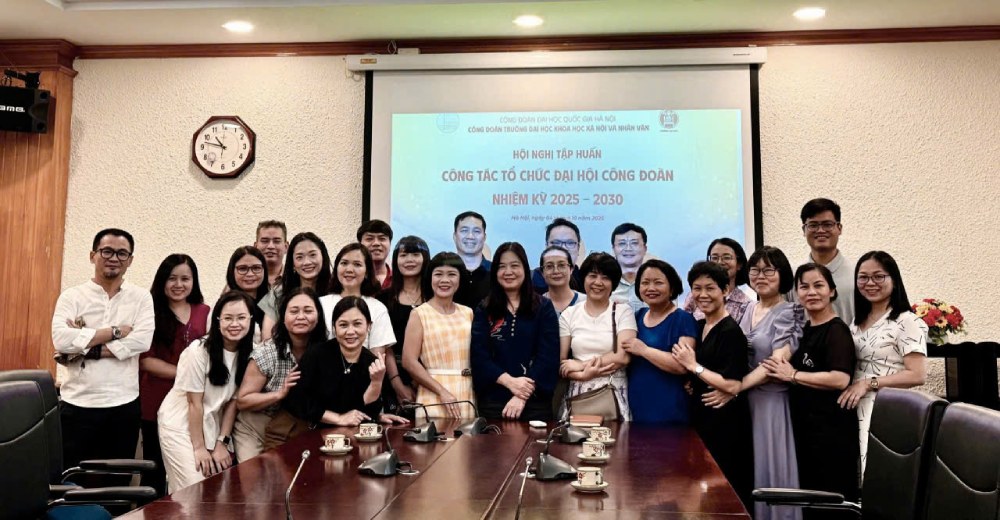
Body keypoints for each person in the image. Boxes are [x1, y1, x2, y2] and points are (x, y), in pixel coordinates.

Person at [51, 228, 155, 471]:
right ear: (92, 255)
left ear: (130, 260)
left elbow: (141, 342)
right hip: (76, 403)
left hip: (123, 404)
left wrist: (86, 346)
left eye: (122, 253)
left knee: (117, 482)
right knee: (70, 478)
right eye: (107, 251)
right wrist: (114, 332)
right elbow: (61, 340)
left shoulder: (141, 298)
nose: (114, 258)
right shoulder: (72, 297)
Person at [763, 264, 858, 520]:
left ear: (832, 291)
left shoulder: (836, 329)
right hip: (807, 429)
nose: (811, 292)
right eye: (804, 286)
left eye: (818, 285)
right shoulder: (804, 329)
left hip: (831, 433)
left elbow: (840, 378)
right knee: (811, 502)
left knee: (831, 504)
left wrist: (792, 375)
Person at [265, 297, 408, 448]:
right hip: (292, 433)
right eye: (343, 325)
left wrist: (376, 383)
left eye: (357, 324)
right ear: (334, 328)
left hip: (334, 439)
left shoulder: (372, 363)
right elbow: (296, 400)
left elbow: (360, 412)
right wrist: (338, 418)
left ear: (369, 326)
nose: (350, 331)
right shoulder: (317, 354)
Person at [671, 261, 753, 511]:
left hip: (726, 421)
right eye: (697, 288)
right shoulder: (700, 325)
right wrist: (691, 380)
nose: (703, 295)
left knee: (724, 490)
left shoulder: (730, 332)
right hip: (703, 415)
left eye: (710, 288)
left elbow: (731, 383)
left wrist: (693, 366)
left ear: (725, 291)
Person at [838, 251, 927, 475]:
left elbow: (917, 375)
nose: (870, 283)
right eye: (863, 277)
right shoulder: (857, 321)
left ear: (894, 280)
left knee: (880, 475)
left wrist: (868, 383)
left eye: (879, 277)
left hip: (886, 408)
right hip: (854, 406)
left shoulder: (907, 321)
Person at [157, 291, 255, 494]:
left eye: (241, 318)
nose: (234, 324)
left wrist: (222, 443)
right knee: (193, 487)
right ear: (217, 321)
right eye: (228, 318)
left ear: (251, 320)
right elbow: (194, 404)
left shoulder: (251, 352)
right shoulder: (198, 351)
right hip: (180, 424)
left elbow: (232, 403)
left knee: (216, 491)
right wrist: (199, 448)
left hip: (212, 424)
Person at [736, 247, 803, 520]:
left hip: (771, 403)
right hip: (745, 403)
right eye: (755, 270)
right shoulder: (748, 308)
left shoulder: (790, 311)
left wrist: (735, 388)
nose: (760, 276)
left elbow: (776, 364)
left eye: (768, 270)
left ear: (782, 274)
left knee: (773, 470)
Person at [139, 254, 210, 497]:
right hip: (155, 395)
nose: (178, 284)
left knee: (189, 464)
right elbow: (146, 360)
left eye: (185, 279)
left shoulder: (205, 311)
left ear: (194, 281)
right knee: (154, 466)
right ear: (162, 281)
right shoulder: (149, 310)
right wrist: (186, 373)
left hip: (192, 402)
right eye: (172, 278)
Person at [233, 287, 327, 461]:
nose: (300, 316)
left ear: (319, 316)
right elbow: (243, 400)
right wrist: (279, 394)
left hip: (294, 424)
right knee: (254, 483)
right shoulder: (267, 352)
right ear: (283, 318)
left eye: (308, 311)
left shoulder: (326, 351)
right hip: (256, 423)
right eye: (293, 311)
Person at [471, 242, 560, 420]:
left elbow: (548, 356)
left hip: (535, 402)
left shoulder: (543, 307)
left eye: (515, 265)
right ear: (495, 272)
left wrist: (521, 395)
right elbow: (479, 356)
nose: (508, 272)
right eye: (502, 267)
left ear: (525, 269)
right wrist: (510, 382)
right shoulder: (484, 308)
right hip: (494, 402)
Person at [320, 243, 409, 414]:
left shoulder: (377, 308)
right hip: (325, 385)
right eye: (344, 263)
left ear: (368, 271)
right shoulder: (321, 303)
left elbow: (377, 357)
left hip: (363, 387)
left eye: (357, 264)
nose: (349, 269)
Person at [558, 252, 636, 420]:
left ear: (614, 283)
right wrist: (582, 375)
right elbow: (562, 363)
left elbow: (623, 357)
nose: (598, 283)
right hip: (578, 395)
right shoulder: (569, 314)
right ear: (584, 279)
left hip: (613, 394)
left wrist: (581, 365)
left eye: (605, 278)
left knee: (614, 444)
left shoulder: (623, 311)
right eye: (592, 276)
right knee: (574, 445)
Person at [620, 259, 697, 425]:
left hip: (670, 409)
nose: (651, 288)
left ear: (672, 288)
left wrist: (644, 350)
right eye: (645, 283)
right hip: (637, 407)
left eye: (658, 282)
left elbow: (682, 365)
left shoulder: (682, 319)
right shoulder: (638, 315)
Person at [402, 252, 476, 418]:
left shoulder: (468, 313)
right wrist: (441, 391)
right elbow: (409, 361)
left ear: (460, 279)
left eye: (451, 274)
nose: (444, 280)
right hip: (433, 394)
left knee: (468, 442)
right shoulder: (419, 314)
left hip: (466, 391)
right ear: (430, 278)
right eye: (438, 274)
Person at [376, 236, 431, 415]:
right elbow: (385, 346)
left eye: (415, 254)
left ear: (425, 258)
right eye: (404, 255)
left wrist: (420, 380)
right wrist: (397, 384)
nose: (409, 260)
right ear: (396, 260)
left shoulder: (434, 296)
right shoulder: (384, 298)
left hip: (430, 376)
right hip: (393, 374)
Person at [259, 232, 332, 341]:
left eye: (312, 255)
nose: (306, 262)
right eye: (299, 257)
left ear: (323, 256)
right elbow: (267, 337)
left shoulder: (336, 290)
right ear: (292, 263)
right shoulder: (278, 292)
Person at [794, 198, 854, 323]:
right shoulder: (794, 276)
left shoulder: (857, 275)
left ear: (839, 228)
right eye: (813, 225)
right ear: (803, 230)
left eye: (827, 225)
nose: (820, 231)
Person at [683, 237, 753, 322]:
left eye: (726, 257)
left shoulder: (745, 304)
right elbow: (682, 324)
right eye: (715, 258)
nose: (719, 262)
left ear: (739, 264)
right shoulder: (695, 295)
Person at [225, 246, 269, 342]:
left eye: (256, 268)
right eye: (243, 268)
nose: (250, 274)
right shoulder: (225, 304)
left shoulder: (271, 302)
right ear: (232, 271)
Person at [531, 218, 584, 293]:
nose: (563, 248)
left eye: (570, 243)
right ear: (546, 247)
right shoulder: (531, 280)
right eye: (556, 242)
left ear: (578, 248)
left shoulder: (587, 281)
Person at [452, 210, 492, 308]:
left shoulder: (497, 272)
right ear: (454, 236)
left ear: (484, 237)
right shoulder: (441, 271)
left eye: (477, 231)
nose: (470, 236)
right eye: (464, 230)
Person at [610, 222, 648, 310]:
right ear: (613, 249)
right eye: (622, 244)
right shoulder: (604, 283)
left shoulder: (658, 283)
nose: (628, 248)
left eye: (634, 243)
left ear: (645, 249)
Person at [538, 245, 586, 314]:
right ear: (542, 272)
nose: (556, 271)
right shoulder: (536, 306)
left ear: (571, 269)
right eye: (549, 266)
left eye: (561, 265)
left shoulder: (586, 302)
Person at [357, 219, 394, 289]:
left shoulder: (399, 280)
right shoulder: (351, 278)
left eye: (382, 239)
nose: (376, 243)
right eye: (369, 239)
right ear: (359, 244)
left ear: (390, 244)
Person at [253, 220, 288, 287]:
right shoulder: (245, 280)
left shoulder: (296, 280)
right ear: (255, 246)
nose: (270, 246)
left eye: (277, 241)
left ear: (286, 247)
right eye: (265, 241)